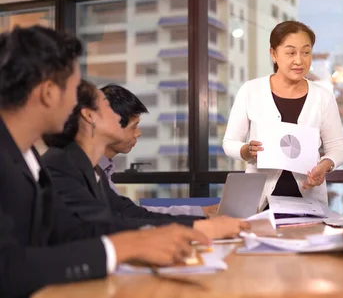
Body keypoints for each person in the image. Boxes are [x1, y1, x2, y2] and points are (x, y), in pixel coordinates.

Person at [0, 26, 209, 297]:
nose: (78, 105)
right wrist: (123, 248)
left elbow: (72, 230)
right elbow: (6, 269)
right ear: (49, 93)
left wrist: (147, 239)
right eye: (75, 90)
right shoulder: (31, 161)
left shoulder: (29, 159)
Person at [41, 80, 245, 239]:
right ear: (89, 116)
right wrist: (199, 227)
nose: (115, 115)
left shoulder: (91, 169)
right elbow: (107, 225)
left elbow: (129, 213)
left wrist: (200, 223)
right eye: (105, 106)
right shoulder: (61, 163)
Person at [223, 21, 343, 210]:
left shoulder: (323, 97)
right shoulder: (251, 90)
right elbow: (229, 143)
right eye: (291, 53)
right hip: (259, 203)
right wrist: (247, 150)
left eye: (306, 52)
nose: (299, 60)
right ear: (273, 54)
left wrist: (325, 165)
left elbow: (338, 148)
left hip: (309, 203)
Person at [99, 84, 215, 217]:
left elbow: (131, 213)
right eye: (134, 126)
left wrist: (200, 212)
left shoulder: (104, 169)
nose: (138, 133)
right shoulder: (85, 171)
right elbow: (129, 217)